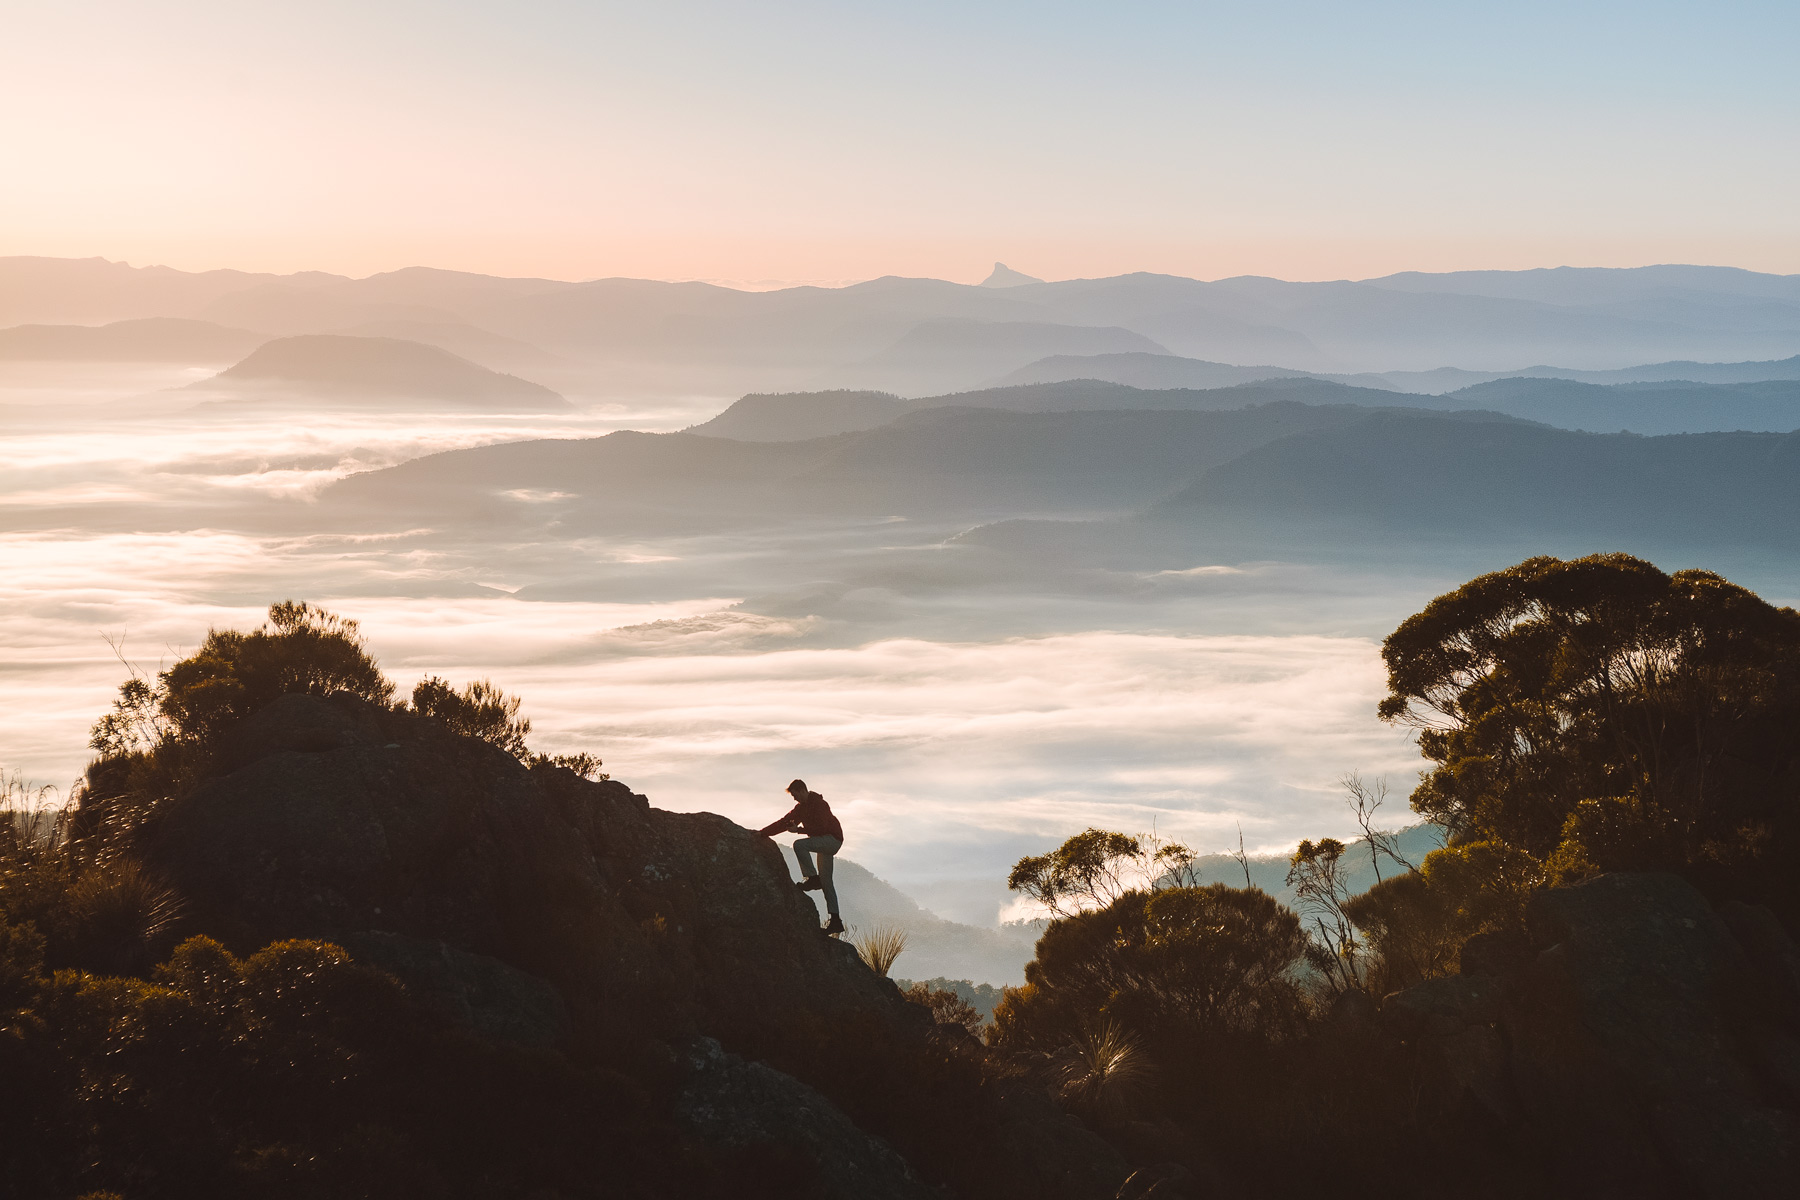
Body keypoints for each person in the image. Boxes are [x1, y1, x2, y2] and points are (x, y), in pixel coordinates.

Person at [758, 778, 845, 934]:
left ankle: (812, 878)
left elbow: (822, 827)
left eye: (795, 795)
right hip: (824, 843)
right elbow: (783, 822)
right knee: (827, 883)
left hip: (832, 840)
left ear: (803, 790)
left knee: (799, 845)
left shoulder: (819, 804)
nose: (795, 798)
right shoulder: (800, 809)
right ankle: (836, 921)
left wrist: (798, 831)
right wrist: (762, 833)